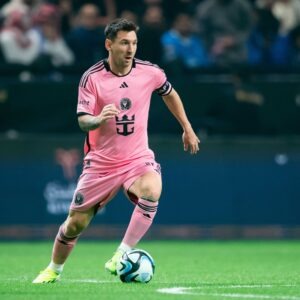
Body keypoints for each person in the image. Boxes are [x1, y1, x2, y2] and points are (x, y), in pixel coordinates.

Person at [32, 18, 200, 284]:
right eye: (124, 42)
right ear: (109, 44)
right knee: (75, 224)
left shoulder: (150, 72)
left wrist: (187, 127)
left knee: (152, 190)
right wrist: (97, 119)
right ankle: (53, 269)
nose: (130, 48)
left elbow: (169, 93)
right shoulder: (92, 78)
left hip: (137, 158)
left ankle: (121, 254)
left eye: (134, 43)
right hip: (101, 163)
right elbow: (82, 120)